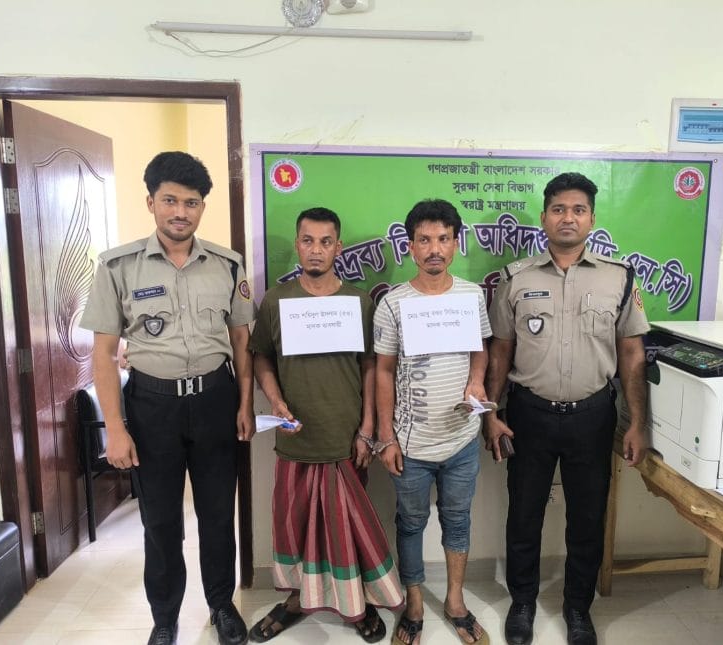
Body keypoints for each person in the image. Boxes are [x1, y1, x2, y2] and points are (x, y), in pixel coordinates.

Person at [80, 151, 254, 645]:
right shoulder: (118, 266)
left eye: (191, 203)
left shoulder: (227, 265)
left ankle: (221, 604)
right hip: (152, 407)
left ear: (202, 208)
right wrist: (116, 429)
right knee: (159, 520)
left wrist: (244, 404)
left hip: (215, 400)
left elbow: (242, 341)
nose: (181, 212)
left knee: (218, 514)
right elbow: (103, 354)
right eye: (170, 200)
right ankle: (164, 617)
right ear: (151, 202)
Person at [483, 172, 649, 645]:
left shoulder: (619, 277)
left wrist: (637, 422)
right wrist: (491, 413)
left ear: (592, 219)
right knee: (524, 515)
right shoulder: (516, 278)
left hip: (592, 417)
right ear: (544, 218)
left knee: (587, 519)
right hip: (528, 415)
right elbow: (500, 351)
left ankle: (578, 608)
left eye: (578, 210)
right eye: (559, 209)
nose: (568, 218)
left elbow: (632, 353)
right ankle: (522, 603)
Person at [247, 207, 403, 643]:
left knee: (345, 530)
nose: (316, 249)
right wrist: (276, 400)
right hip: (296, 439)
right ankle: (298, 599)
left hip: (345, 439)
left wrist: (367, 429)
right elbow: (261, 358)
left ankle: (355, 606)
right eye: (307, 240)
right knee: (297, 527)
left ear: (338, 247)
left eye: (325, 241)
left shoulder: (359, 302)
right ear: (298, 245)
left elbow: (371, 366)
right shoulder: (276, 301)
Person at [374, 199, 492, 645]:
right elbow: (383, 371)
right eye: (424, 240)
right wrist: (386, 437)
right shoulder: (393, 304)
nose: (434, 249)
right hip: (410, 443)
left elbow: (480, 350)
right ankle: (415, 603)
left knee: (458, 519)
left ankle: (456, 601)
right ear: (410, 247)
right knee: (411, 523)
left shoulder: (471, 296)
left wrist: (477, 381)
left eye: (443, 239)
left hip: (461, 438)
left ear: (456, 244)